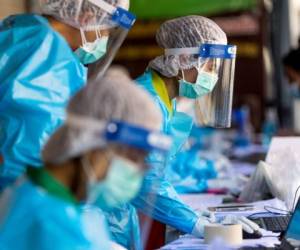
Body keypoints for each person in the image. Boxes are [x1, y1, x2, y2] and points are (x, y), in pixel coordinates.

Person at [103, 16, 260, 249]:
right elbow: (145, 182)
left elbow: (159, 172)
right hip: (105, 222)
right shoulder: (145, 101)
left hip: (119, 217)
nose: (213, 74)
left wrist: (198, 214)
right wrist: (197, 223)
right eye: (210, 65)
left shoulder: (164, 99)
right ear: (185, 59)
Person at [0, 68, 172, 250]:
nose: (137, 170)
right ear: (94, 145)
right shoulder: (53, 223)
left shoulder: (32, 190)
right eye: (133, 157)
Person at [0, 0, 134, 190]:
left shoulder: (22, 28)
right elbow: (24, 152)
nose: (104, 38)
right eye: (107, 30)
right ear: (87, 17)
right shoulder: (48, 54)